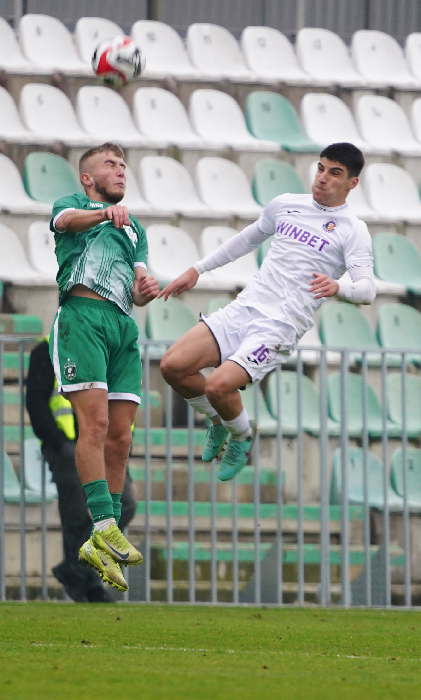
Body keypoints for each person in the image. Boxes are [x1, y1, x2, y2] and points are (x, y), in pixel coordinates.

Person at [159, 142, 376, 481]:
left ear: (352, 183)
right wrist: (198, 269)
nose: (322, 178)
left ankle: (243, 435)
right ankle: (219, 421)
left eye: (335, 173)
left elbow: (367, 290)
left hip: (279, 327)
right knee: (173, 366)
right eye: (321, 168)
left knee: (218, 386)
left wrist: (338, 287)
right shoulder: (285, 204)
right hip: (244, 308)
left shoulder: (353, 229)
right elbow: (246, 240)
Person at [49, 142, 159, 592]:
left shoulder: (134, 228)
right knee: (93, 424)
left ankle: (103, 539)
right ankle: (103, 525)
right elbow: (66, 222)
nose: (120, 170)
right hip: (83, 319)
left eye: (123, 165)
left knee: (121, 435)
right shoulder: (73, 206)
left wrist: (145, 288)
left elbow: (136, 283)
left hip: (122, 325)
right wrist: (101, 215)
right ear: (87, 178)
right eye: (110, 164)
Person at [26, 336, 137, 602]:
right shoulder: (47, 349)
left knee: (124, 504)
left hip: (105, 447)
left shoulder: (111, 349)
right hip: (69, 446)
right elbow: (35, 402)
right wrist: (59, 444)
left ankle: (75, 568)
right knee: (76, 515)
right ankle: (89, 586)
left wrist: (121, 443)